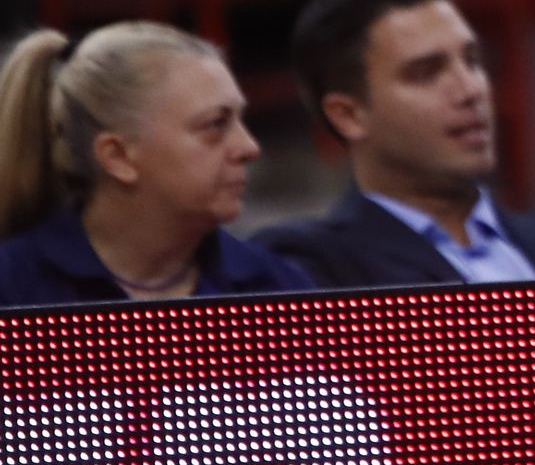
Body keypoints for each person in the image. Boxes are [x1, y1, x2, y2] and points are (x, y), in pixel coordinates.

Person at [252, 0, 535, 288]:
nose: (470, 89)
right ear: (349, 115)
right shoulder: (312, 269)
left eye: (472, 61)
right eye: (426, 73)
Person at [0, 22, 312, 306]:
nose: (249, 148)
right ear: (118, 156)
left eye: (240, 121)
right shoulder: (13, 289)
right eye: (216, 124)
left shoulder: (275, 288)